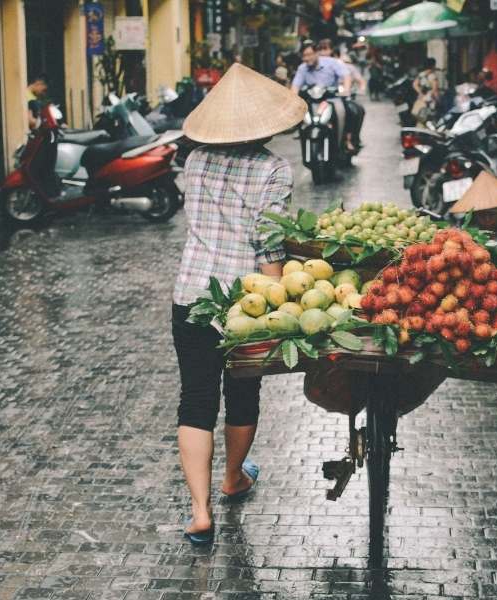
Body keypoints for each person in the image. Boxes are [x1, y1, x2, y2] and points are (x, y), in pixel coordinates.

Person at [173, 63, 307, 545]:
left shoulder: (193, 161)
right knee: (243, 393)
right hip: (244, 301)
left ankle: (199, 512)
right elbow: (268, 243)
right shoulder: (272, 168)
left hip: (191, 294)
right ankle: (233, 479)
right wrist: (278, 306)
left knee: (196, 398)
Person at [291, 40, 361, 153]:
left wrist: (346, 90)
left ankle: (345, 139)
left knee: (345, 111)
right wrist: (292, 100)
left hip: (332, 99)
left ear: (317, 53)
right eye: (304, 56)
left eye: (309, 54)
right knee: (298, 114)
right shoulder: (302, 68)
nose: (306, 58)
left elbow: (346, 76)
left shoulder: (332, 63)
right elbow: (295, 86)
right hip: (312, 101)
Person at [412, 57, 442, 124]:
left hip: (422, 98)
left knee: (420, 115)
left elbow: (414, 84)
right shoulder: (432, 76)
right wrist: (438, 100)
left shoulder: (421, 74)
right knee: (431, 117)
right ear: (433, 65)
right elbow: (435, 89)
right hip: (430, 99)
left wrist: (420, 93)